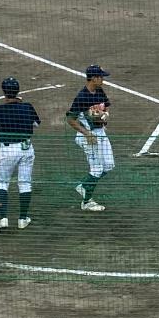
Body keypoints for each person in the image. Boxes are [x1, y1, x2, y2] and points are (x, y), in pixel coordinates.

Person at [0, 77, 40, 230]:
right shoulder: (27, 107)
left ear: (4, 92)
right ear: (18, 91)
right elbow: (36, 124)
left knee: (2, 182)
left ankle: (3, 218)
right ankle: (23, 219)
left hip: (7, 151)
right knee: (25, 183)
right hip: (26, 149)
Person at [67, 65, 113, 211]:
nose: (103, 79)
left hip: (101, 133)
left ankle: (85, 186)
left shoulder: (99, 90)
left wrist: (104, 115)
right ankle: (86, 202)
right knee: (97, 168)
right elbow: (70, 119)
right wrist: (87, 133)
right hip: (88, 137)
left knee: (109, 165)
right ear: (94, 78)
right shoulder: (82, 97)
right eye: (101, 77)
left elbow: (105, 107)